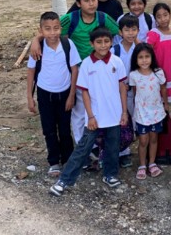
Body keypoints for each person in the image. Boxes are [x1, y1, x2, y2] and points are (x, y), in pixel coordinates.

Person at [30, 0, 120, 144]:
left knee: (100, 106)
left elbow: (120, 31)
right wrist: (36, 40)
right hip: (79, 73)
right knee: (79, 112)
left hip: (101, 72)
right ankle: (81, 146)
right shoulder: (70, 19)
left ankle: (101, 146)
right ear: (78, 3)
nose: (91, 3)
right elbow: (49, 29)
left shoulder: (103, 18)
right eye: (86, 0)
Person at [49, 28, 128, 196]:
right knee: (83, 149)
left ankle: (110, 174)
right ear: (92, 44)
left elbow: (122, 87)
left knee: (112, 146)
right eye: (99, 42)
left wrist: (124, 112)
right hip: (95, 117)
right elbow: (84, 92)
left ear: (111, 42)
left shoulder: (117, 62)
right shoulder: (86, 63)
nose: (103, 45)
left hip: (114, 115)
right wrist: (90, 116)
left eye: (106, 41)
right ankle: (64, 180)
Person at [26, 12, 81, 176]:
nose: (52, 32)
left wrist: (72, 95)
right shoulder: (38, 48)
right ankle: (54, 161)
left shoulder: (67, 44)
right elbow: (31, 71)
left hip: (64, 94)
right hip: (45, 94)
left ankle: (68, 158)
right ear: (41, 30)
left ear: (60, 28)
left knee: (65, 129)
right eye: (48, 29)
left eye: (56, 28)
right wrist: (29, 97)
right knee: (49, 129)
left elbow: (74, 69)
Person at [129, 43, 168, 180]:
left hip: (157, 112)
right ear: (136, 59)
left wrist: (165, 104)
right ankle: (142, 165)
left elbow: (163, 88)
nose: (144, 60)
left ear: (152, 57)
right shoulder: (133, 75)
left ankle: (152, 163)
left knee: (153, 138)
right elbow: (135, 93)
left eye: (147, 56)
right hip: (142, 114)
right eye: (140, 57)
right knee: (143, 140)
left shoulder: (158, 73)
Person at [112, 15, 140, 168]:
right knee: (121, 121)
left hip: (137, 91)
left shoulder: (140, 49)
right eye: (127, 30)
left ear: (138, 30)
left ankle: (139, 146)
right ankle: (122, 152)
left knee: (135, 118)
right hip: (119, 92)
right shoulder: (115, 50)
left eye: (134, 29)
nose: (130, 33)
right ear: (120, 32)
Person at [146, 3, 171, 101]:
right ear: (155, 19)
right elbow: (147, 52)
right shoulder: (153, 33)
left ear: (170, 15)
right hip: (158, 70)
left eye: (165, 15)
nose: (163, 19)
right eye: (159, 17)